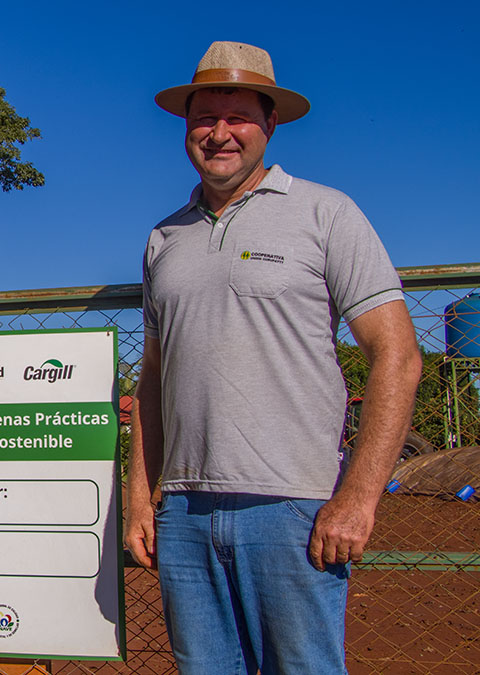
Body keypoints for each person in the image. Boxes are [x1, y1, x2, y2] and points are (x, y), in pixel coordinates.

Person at [124, 41, 422, 673]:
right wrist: (141, 498)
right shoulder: (163, 238)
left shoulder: (325, 213)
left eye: (238, 117)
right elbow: (153, 383)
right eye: (205, 117)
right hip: (183, 512)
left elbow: (396, 353)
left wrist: (359, 498)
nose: (220, 133)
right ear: (186, 126)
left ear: (270, 124)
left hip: (292, 508)